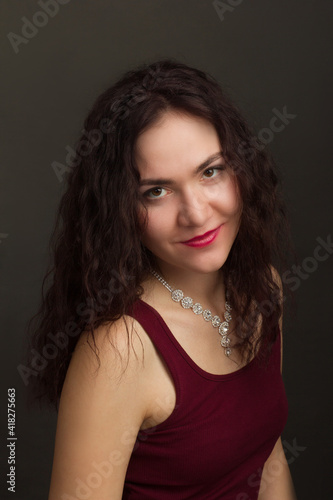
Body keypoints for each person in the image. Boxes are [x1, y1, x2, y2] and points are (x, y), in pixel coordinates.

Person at [26, 59, 297, 499]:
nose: (196, 213)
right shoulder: (119, 350)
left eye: (211, 171)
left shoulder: (264, 287)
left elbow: (269, 458)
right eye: (157, 191)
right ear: (120, 212)